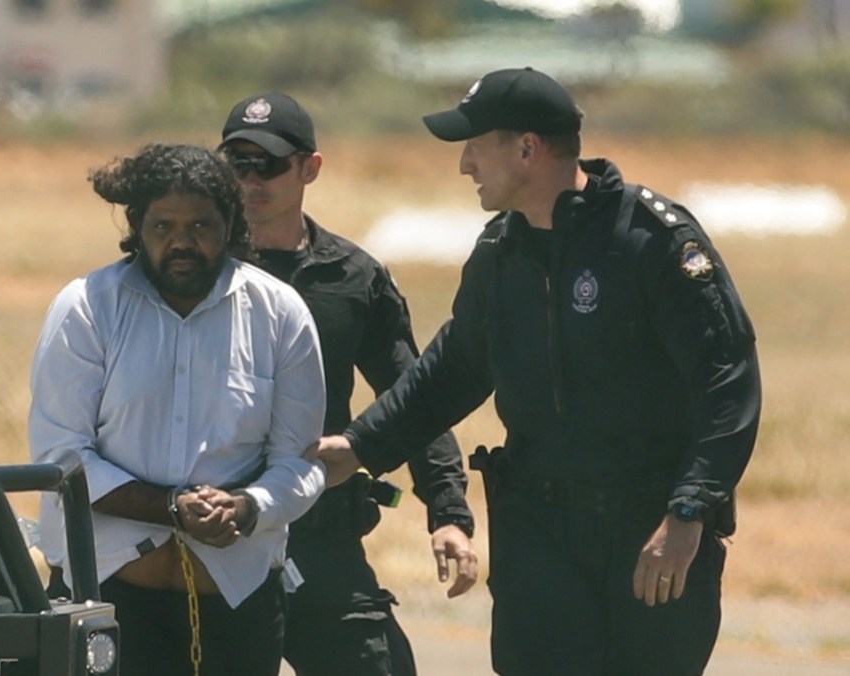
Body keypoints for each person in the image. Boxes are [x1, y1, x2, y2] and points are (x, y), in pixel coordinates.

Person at [316, 67, 761, 676]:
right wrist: (358, 446)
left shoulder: (650, 240)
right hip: (541, 529)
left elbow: (726, 380)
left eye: (475, 145)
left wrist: (689, 513)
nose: (464, 164)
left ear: (527, 148)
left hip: (649, 528)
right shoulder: (501, 252)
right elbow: (451, 371)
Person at [29, 143, 327, 676]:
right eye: (163, 226)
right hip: (107, 601)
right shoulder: (87, 306)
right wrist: (170, 508)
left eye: (201, 226)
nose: (182, 243)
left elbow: (300, 463)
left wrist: (248, 507)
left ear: (230, 223)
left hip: (237, 606)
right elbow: (62, 456)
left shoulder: (280, 313)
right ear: (137, 225)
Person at [218, 92, 478, 676]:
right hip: (214, 540)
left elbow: (412, 398)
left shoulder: (351, 278)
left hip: (319, 535)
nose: (252, 181)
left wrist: (448, 512)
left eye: (271, 164)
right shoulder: (195, 270)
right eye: (239, 165)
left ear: (310, 168)